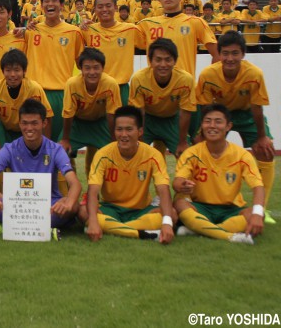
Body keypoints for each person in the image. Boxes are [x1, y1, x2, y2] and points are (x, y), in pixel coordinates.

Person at [195, 31, 276, 224]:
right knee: (197, 149)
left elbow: (257, 107)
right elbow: (204, 107)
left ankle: (261, 209)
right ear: (219, 54)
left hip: (247, 114)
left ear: (243, 54)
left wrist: (262, 137)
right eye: (225, 53)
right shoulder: (208, 74)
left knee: (266, 151)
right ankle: (200, 201)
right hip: (219, 112)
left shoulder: (254, 74)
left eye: (235, 53)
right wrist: (201, 132)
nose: (230, 58)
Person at [0, 98, 80, 235]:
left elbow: (75, 183)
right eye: (25, 123)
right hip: (18, 205)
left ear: (44, 123)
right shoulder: (10, 149)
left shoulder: (55, 150)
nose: (29, 128)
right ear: (19, 124)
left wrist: (68, 202)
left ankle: (11, 225)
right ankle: (43, 228)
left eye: (34, 123)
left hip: (49, 205)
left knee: (74, 205)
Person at [81, 106, 174, 244]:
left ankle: (114, 228)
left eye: (129, 129)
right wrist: (94, 221)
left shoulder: (153, 155)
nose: (124, 134)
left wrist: (167, 222)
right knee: (83, 211)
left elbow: (163, 189)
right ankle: (141, 233)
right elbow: (93, 191)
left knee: (173, 214)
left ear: (140, 131)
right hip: (110, 209)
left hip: (140, 210)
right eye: (119, 129)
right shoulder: (103, 154)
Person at [173, 104, 264, 244]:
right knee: (179, 203)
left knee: (256, 213)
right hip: (201, 207)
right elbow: (178, 181)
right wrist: (182, 185)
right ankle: (229, 236)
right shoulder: (192, 153)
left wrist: (258, 213)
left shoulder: (242, 155)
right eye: (207, 121)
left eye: (218, 121)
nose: (212, 126)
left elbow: (258, 186)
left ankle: (198, 229)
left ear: (228, 126)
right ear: (202, 125)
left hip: (231, 209)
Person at [24, 0, 85, 141]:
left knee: (61, 145)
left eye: (54, 1)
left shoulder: (73, 32)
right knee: (35, 144)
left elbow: (82, 64)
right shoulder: (31, 31)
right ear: (41, 5)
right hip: (35, 93)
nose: (50, 4)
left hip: (61, 94)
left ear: (62, 5)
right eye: (46, 1)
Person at [137, 0, 218, 78]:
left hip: (185, 89)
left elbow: (217, 54)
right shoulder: (146, 24)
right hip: (156, 90)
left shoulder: (195, 22)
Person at [129, 38, 196, 158]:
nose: (163, 65)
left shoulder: (185, 79)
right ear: (150, 61)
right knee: (136, 156)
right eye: (158, 60)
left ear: (175, 61)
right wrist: (138, 142)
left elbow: (186, 112)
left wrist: (182, 142)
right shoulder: (139, 79)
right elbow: (139, 113)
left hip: (172, 120)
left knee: (186, 157)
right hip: (147, 121)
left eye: (168, 60)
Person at [60, 48, 121, 177]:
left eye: (96, 67)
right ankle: (69, 190)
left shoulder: (111, 84)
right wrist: (65, 138)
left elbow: (112, 114)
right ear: (80, 68)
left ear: (103, 68)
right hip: (78, 123)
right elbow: (68, 114)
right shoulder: (72, 84)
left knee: (115, 154)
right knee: (59, 151)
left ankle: (104, 193)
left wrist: (114, 140)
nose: (92, 72)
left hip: (100, 123)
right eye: (87, 68)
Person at [82, 0, 145, 104]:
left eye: (108, 6)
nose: (104, 9)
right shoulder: (88, 30)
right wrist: (81, 25)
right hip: (97, 87)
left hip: (121, 87)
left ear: (115, 8)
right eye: (100, 7)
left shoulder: (130, 30)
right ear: (95, 10)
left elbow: (149, 45)